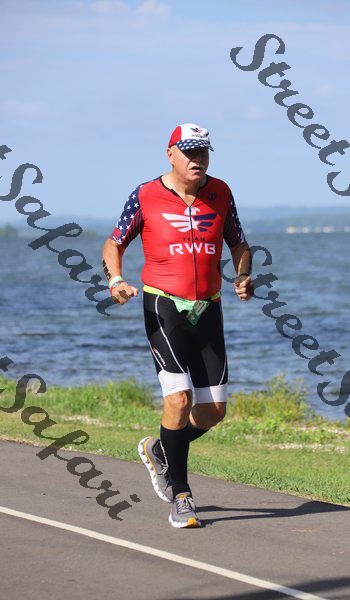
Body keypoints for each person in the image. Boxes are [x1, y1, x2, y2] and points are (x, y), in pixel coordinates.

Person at [102, 123, 253, 528]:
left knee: (213, 411)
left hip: (209, 309)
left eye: (203, 152)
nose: (197, 159)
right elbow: (114, 242)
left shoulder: (221, 193)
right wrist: (115, 281)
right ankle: (181, 496)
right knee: (179, 400)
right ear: (170, 153)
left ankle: (161, 449)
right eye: (189, 152)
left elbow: (239, 243)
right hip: (163, 304)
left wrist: (243, 275)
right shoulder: (145, 195)